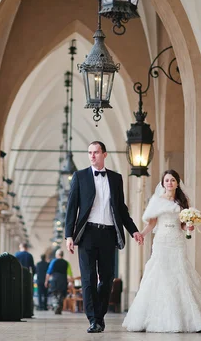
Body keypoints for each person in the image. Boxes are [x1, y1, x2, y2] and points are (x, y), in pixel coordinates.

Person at [122, 169, 201, 333]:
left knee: (180, 273)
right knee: (160, 275)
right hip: (161, 241)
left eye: (172, 180)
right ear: (162, 183)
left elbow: (184, 224)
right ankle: (158, 318)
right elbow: (152, 224)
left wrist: (189, 226)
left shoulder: (182, 201)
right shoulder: (157, 201)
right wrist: (142, 234)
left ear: (177, 183)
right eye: (167, 180)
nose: (169, 183)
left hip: (177, 240)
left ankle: (187, 318)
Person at [65, 140, 143, 333]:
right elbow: (72, 207)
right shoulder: (80, 176)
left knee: (107, 278)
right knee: (88, 278)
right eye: (90, 152)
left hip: (108, 233)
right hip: (87, 234)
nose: (92, 155)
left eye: (96, 152)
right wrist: (69, 235)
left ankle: (99, 316)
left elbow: (121, 209)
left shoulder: (116, 179)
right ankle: (93, 319)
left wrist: (133, 230)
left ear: (104, 154)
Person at [44, 249, 73, 314]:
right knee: (62, 294)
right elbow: (70, 274)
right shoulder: (66, 263)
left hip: (55, 280)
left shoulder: (53, 261)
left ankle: (56, 305)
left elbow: (48, 272)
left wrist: (46, 281)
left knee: (55, 294)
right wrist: (70, 282)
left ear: (57, 255)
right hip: (63, 280)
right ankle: (59, 306)